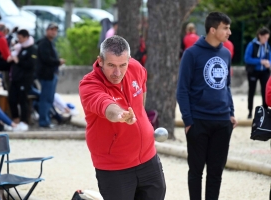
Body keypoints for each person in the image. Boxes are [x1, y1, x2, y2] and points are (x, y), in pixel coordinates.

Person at [79, 35, 166, 200]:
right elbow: (106, 105)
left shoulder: (135, 67)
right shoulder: (89, 85)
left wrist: (141, 118)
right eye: (111, 65)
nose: (117, 72)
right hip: (115, 168)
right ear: (100, 61)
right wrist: (120, 114)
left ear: (129, 60)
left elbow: (142, 88)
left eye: (122, 65)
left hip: (148, 159)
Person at [176, 12, 238, 200]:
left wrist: (231, 113)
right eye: (225, 28)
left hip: (222, 122)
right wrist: (188, 121)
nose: (229, 32)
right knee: (196, 172)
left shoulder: (226, 53)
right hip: (198, 122)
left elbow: (226, 86)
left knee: (216, 174)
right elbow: (182, 90)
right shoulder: (191, 54)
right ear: (213, 30)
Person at [36, 23, 65, 128]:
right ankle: (44, 121)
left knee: (49, 98)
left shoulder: (49, 43)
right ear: (47, 30)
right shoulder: (44, 43)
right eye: (51, 29)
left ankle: (46, 120)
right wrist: (58, 62)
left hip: (51, 74)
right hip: (47, 75)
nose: (53, 32)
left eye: (55, 30)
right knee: (46, 99)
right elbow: (46, 59)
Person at [8, 29, 36, 129]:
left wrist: (18, 61)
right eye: (18, 38)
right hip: (15, 79)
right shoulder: (19, 48)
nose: (18, 40)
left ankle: (24, 121)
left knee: (22, 100)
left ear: (26, 37)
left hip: (24, 80)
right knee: (11, 99)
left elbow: (31, 65)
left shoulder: (32, 49)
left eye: (20, 38)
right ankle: (15, 119)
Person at [244, 27, 271, 119]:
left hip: (264, 72)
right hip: (253, 71)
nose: (266, 40)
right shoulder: (252, 45)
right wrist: (260, 61)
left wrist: (268, 63)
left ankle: (265, 111)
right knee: (252, 91)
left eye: (267, 38)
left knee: (265, 91)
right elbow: (247, 59)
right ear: (260, 36)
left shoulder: (267, 45)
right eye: (265, 38)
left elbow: (269, 57)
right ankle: (250, 111)